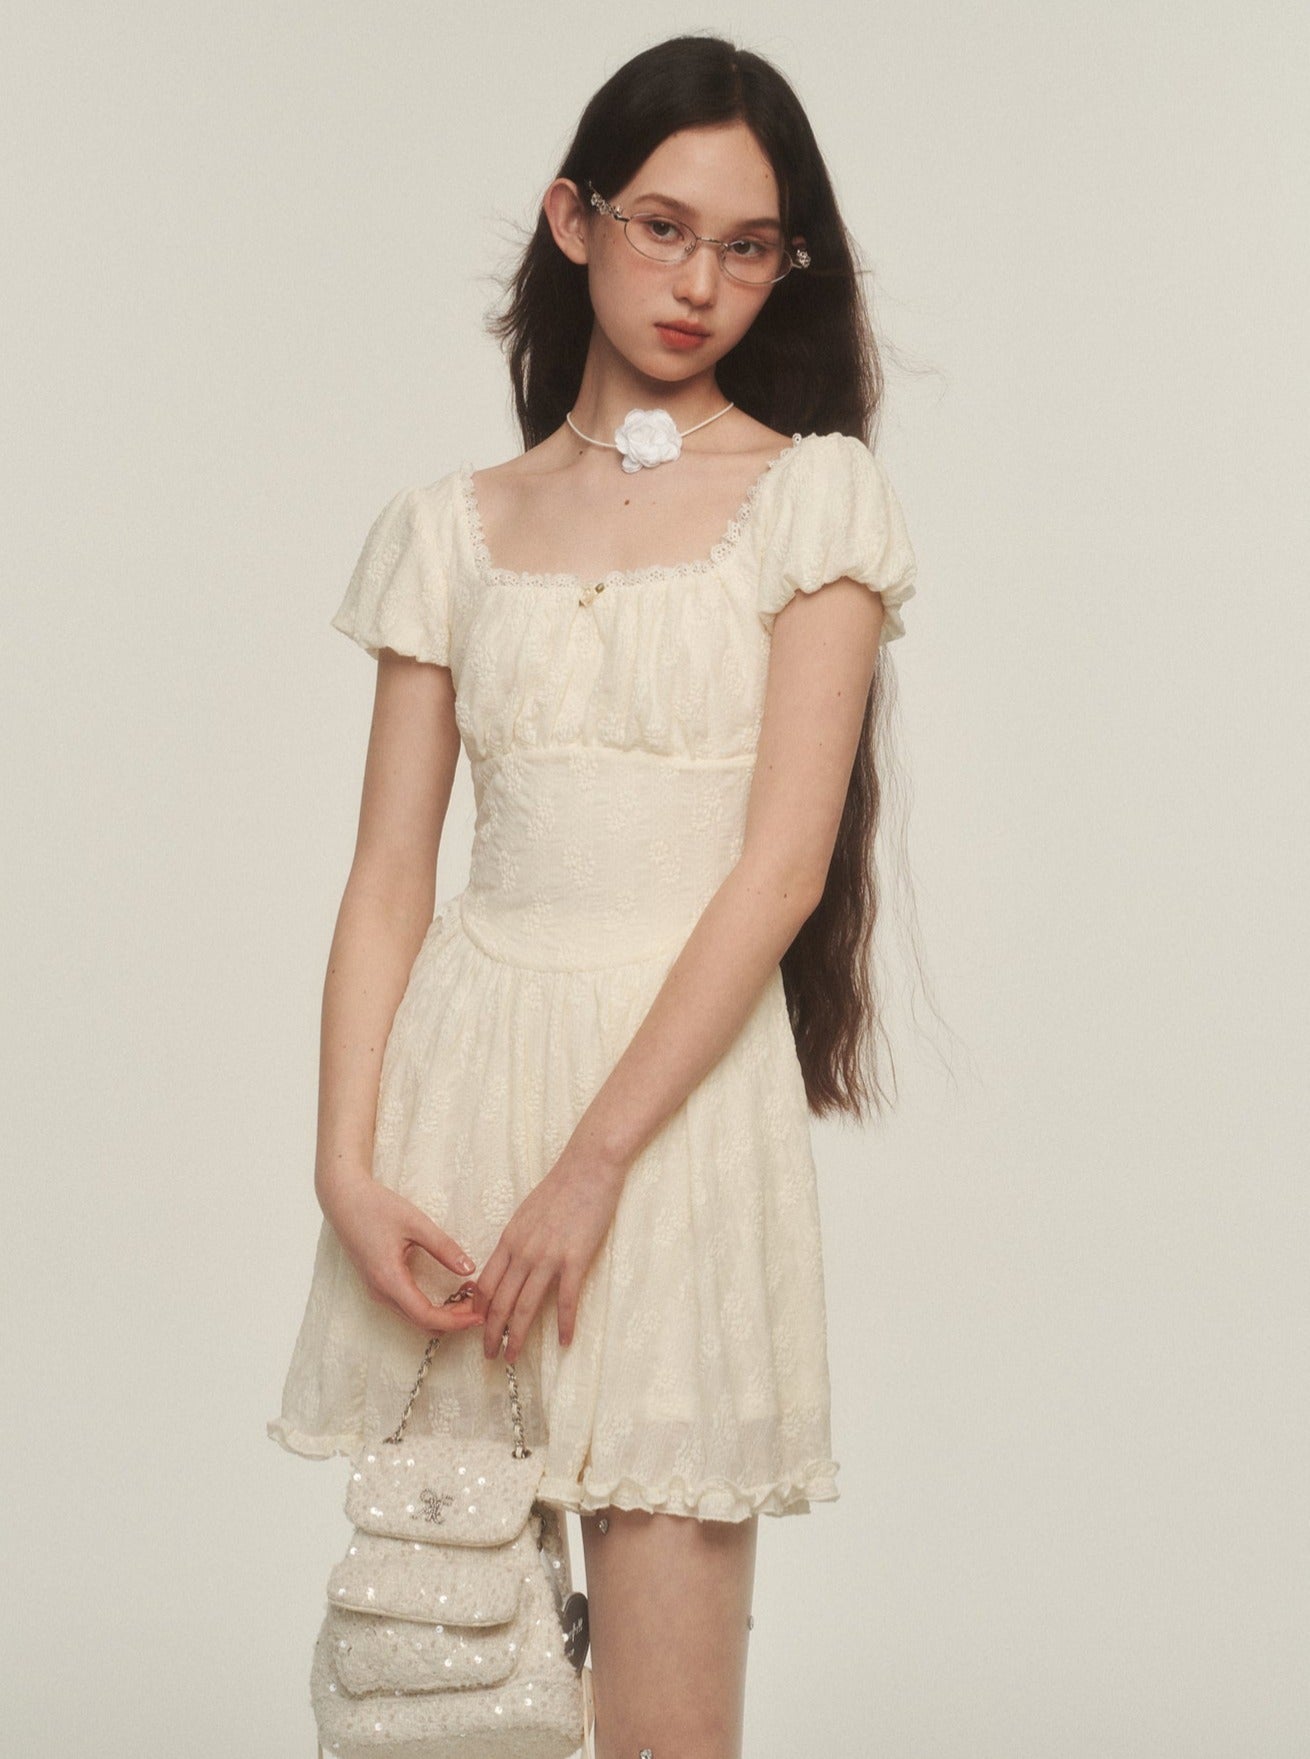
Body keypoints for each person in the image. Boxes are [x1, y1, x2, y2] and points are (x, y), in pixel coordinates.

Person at [268, 32, 922, 1759]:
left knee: (662, 1737)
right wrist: (346, 1166)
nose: (699, 283)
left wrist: (592, 1166)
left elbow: (779, 871)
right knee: (446, 1696)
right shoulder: (449, 526)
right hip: (461, 1107)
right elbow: (387, 876)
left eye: (748, 246)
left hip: (671, 1126)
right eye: (662, 227)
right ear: (573, 221)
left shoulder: (812, 498)